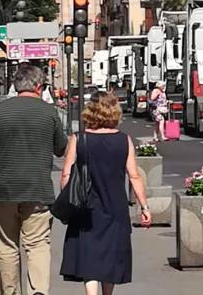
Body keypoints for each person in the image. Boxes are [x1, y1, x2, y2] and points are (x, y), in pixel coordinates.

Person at [0, 64, 68, 295]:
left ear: (15, 85)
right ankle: (38, 291)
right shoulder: (50, 112)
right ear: (39, 86)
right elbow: (60, 149)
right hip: (38, 189)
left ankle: (11, 291)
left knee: (7, 246)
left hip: (3, 190)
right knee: (37, 244)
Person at [60, 92, 151, 295]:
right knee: (110, 255)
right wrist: (144, 206)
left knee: (89, 255)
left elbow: (66, 173)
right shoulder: (124, 140)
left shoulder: (79, 139)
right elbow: (134, 176)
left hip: (85, 207)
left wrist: (67, 202)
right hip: (115, 207)